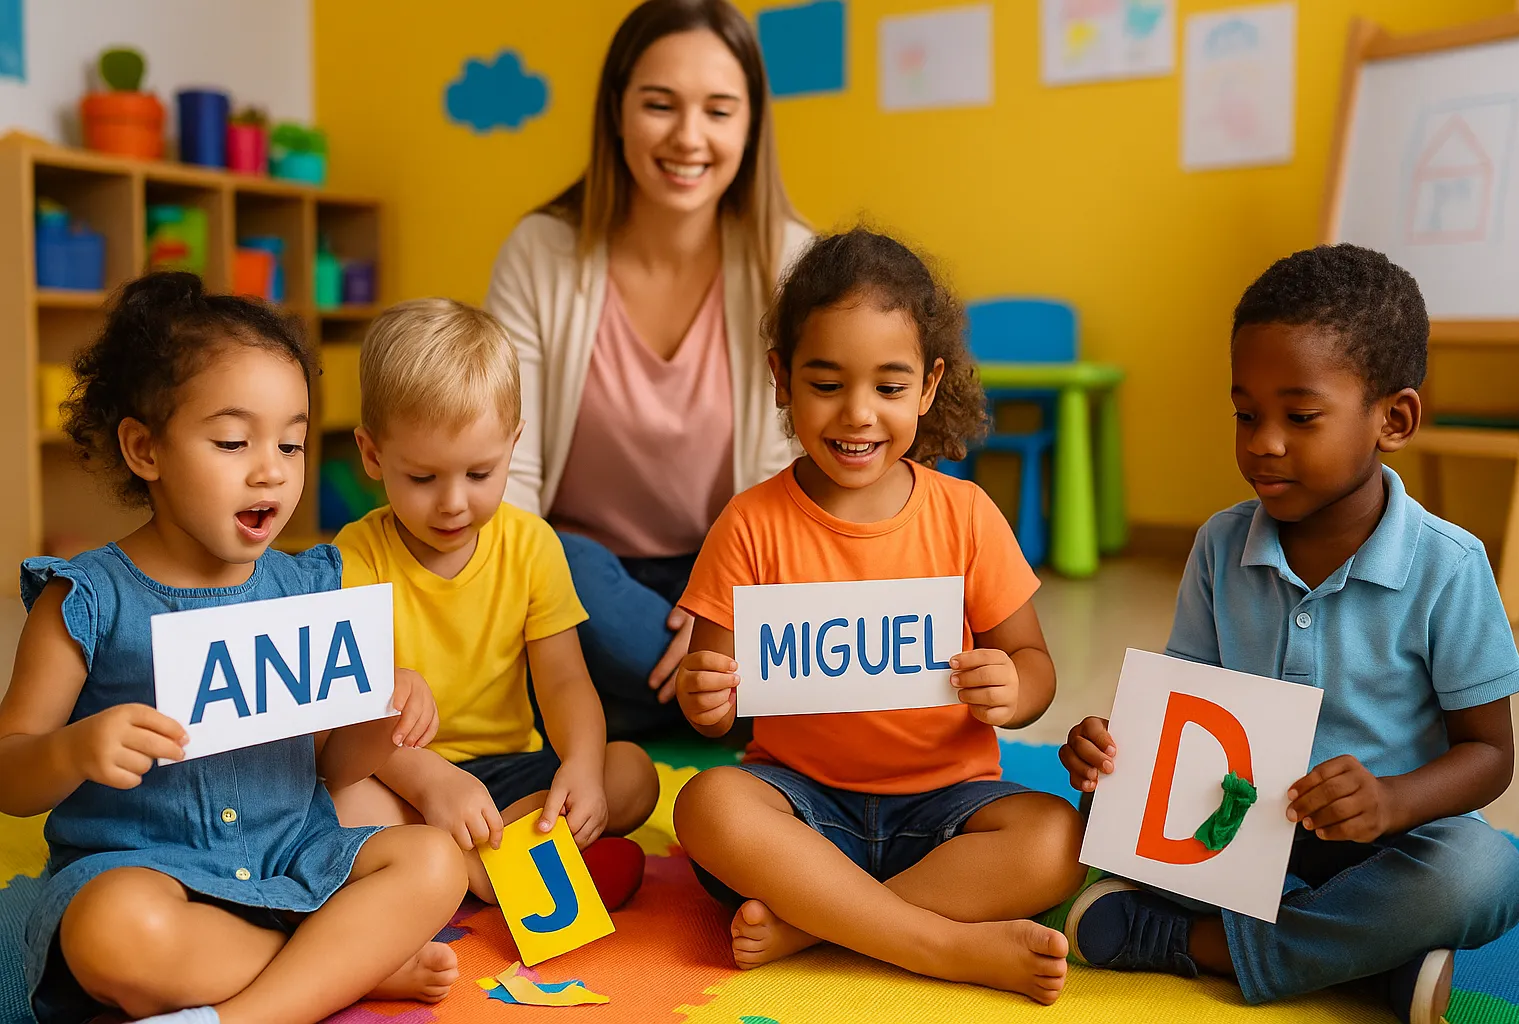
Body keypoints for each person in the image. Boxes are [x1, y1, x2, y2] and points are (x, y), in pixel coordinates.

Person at [1059, 244, 1519, 1024]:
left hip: (1392, 843)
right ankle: (1368, 966)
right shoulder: (1219, 543)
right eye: (1246, 414)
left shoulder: (1450, 565)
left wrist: (1389, 800)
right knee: (1094, 831)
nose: (1262, 442)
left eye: (1300, 416)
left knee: (1485, 875)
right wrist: (1116, 756)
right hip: (1239, 829)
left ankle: (1195, 947)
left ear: (1395, 418)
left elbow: (1490, 756)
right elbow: (1188, 713)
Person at [0, 274, 467, 1024]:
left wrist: (377, 719)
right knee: (112, 933)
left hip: (292, 862)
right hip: (151, 879)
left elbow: (331, 770)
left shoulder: (307, 588)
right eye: (231, 441)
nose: (271, 469)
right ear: (144, 449)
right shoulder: (84, 601)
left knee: (434, 859)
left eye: (291, 442)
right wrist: (75, 751)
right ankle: (342, 968)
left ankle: (248, 1012)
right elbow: (8, 776)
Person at [670, 229, 1088, 1003]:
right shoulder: (749, 524)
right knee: (706, 804)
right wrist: (705, 698)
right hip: (802, 806)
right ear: (781, 380)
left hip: (947, 809)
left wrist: (1012, 687)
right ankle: (934, 943)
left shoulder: (965, 514)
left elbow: (1035, 667)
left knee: (1059, 837)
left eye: (888, 388)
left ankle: (820, 924)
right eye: (826, 384)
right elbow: (711, 701)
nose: (857, 415)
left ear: (928, 388)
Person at [485, 0, 813, 738]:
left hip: (734, 577)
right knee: (547, 563)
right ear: (617, 112)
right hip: (585, 577)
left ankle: (641, 706)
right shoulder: (540, 252)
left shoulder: (793, 262)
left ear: (751, 124)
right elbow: (509, 473)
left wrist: (722, 611)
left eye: (719, 110)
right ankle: (727, 709)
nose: (688, 137)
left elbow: (811, 477)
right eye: (659, 104)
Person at [327, 299, 660, 909]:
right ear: (373, 455)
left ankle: (472, 866)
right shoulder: (353, 557)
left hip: (512, 772)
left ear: (513, 445)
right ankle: (513, 878)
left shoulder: (533, 545)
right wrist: (432, 781)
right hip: (404, 776)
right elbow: (352, 712)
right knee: (343, 809)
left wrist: (582, 769)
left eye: (480, 474)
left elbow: (563, 682)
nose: (453, 503)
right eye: (423, 479)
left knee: (631, 773)